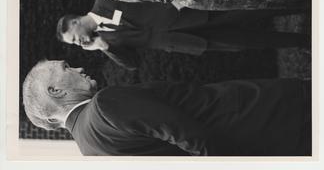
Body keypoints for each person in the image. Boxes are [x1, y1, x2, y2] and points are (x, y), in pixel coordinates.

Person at [22, 59, 311, 156]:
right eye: (66, 67)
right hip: (266, 114)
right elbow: (190, 134)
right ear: (56, 91)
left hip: (267, 147)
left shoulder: (90, 151)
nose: (78, 67)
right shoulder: (103, 105)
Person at [56, 0, 310, 70]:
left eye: (74, 38)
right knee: (246, 42)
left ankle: (304, 4)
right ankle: (304, 41)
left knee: (249, 11)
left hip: (190, 13)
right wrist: (104, 47)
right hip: (186, 41)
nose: (79, 43)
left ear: (75, 22)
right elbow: (132, 63)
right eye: (74, 44)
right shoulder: (105, 41)